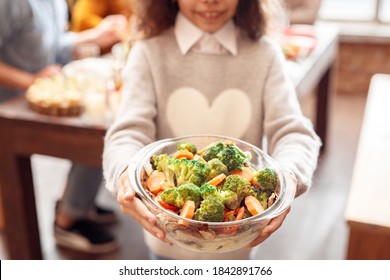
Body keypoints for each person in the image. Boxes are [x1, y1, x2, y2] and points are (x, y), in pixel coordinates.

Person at [103, 0, 321, 260]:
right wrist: (126, 174)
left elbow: (294, 132)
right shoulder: (148, 53)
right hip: (167, 238)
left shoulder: (265, 54)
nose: (210, 1)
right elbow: (127, 133)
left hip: (238, 241)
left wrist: (288, 179)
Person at [0, 0, 125, 253]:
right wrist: (30, 81)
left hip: (47, 94)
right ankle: (69, 218)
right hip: (14, 106)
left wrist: (95, 35)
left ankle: (76, 204)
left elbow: (54, 46)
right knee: (101, 131)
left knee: (108, 121)